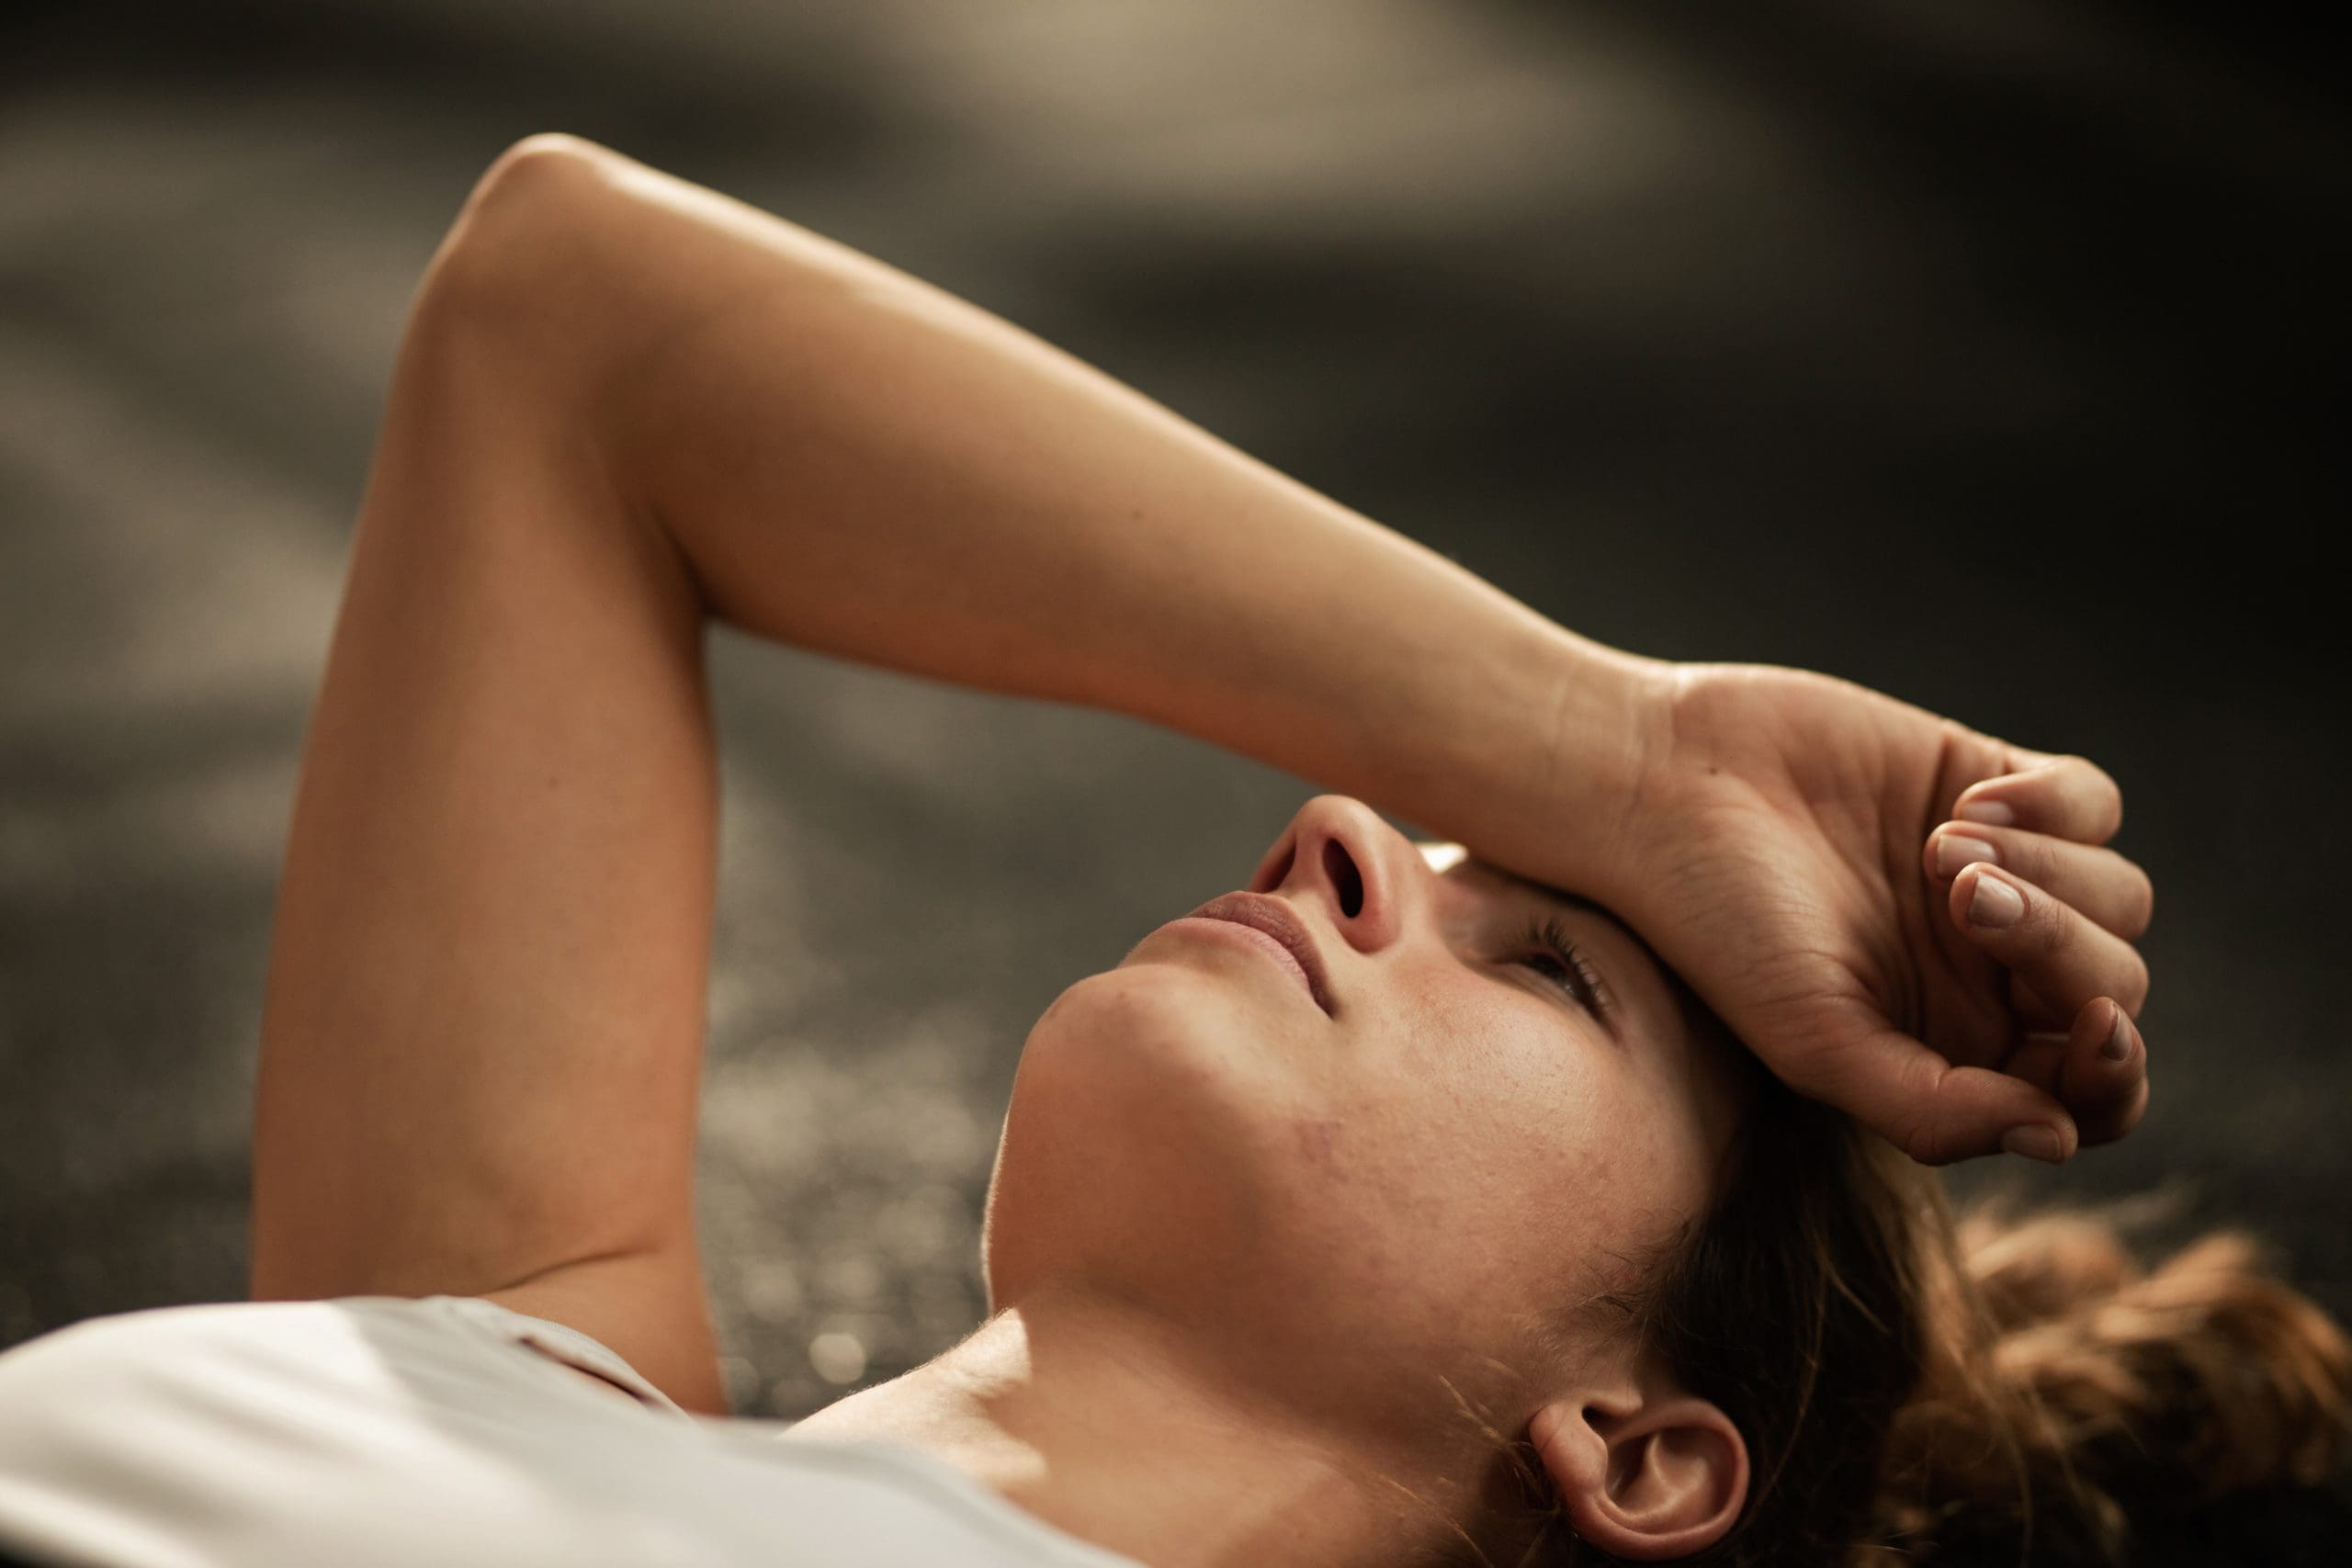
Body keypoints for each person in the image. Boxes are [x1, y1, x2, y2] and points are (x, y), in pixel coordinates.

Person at [0, 135, 2340, 1567]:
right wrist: (1611, 748)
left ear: (1631, 1448)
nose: (1332, 819)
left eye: (1540, 966)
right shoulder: (502, 1351)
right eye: (1438, 843)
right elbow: (568, 312)